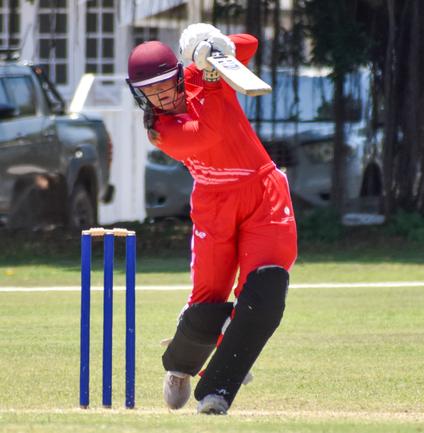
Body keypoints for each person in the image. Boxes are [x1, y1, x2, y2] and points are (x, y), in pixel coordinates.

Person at [126, 24, 298, 415]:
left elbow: (250, 44)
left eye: (163, 85)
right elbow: (211, 131)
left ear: (176, 75)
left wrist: (212, 45)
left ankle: (216, 390)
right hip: (214, 201)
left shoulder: (196, 75)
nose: (159, 96)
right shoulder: (162, 130)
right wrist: (211, 76)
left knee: (266, 289)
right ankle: (180, 366)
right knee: (209, 302)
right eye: (148, 91)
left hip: (263, 190)